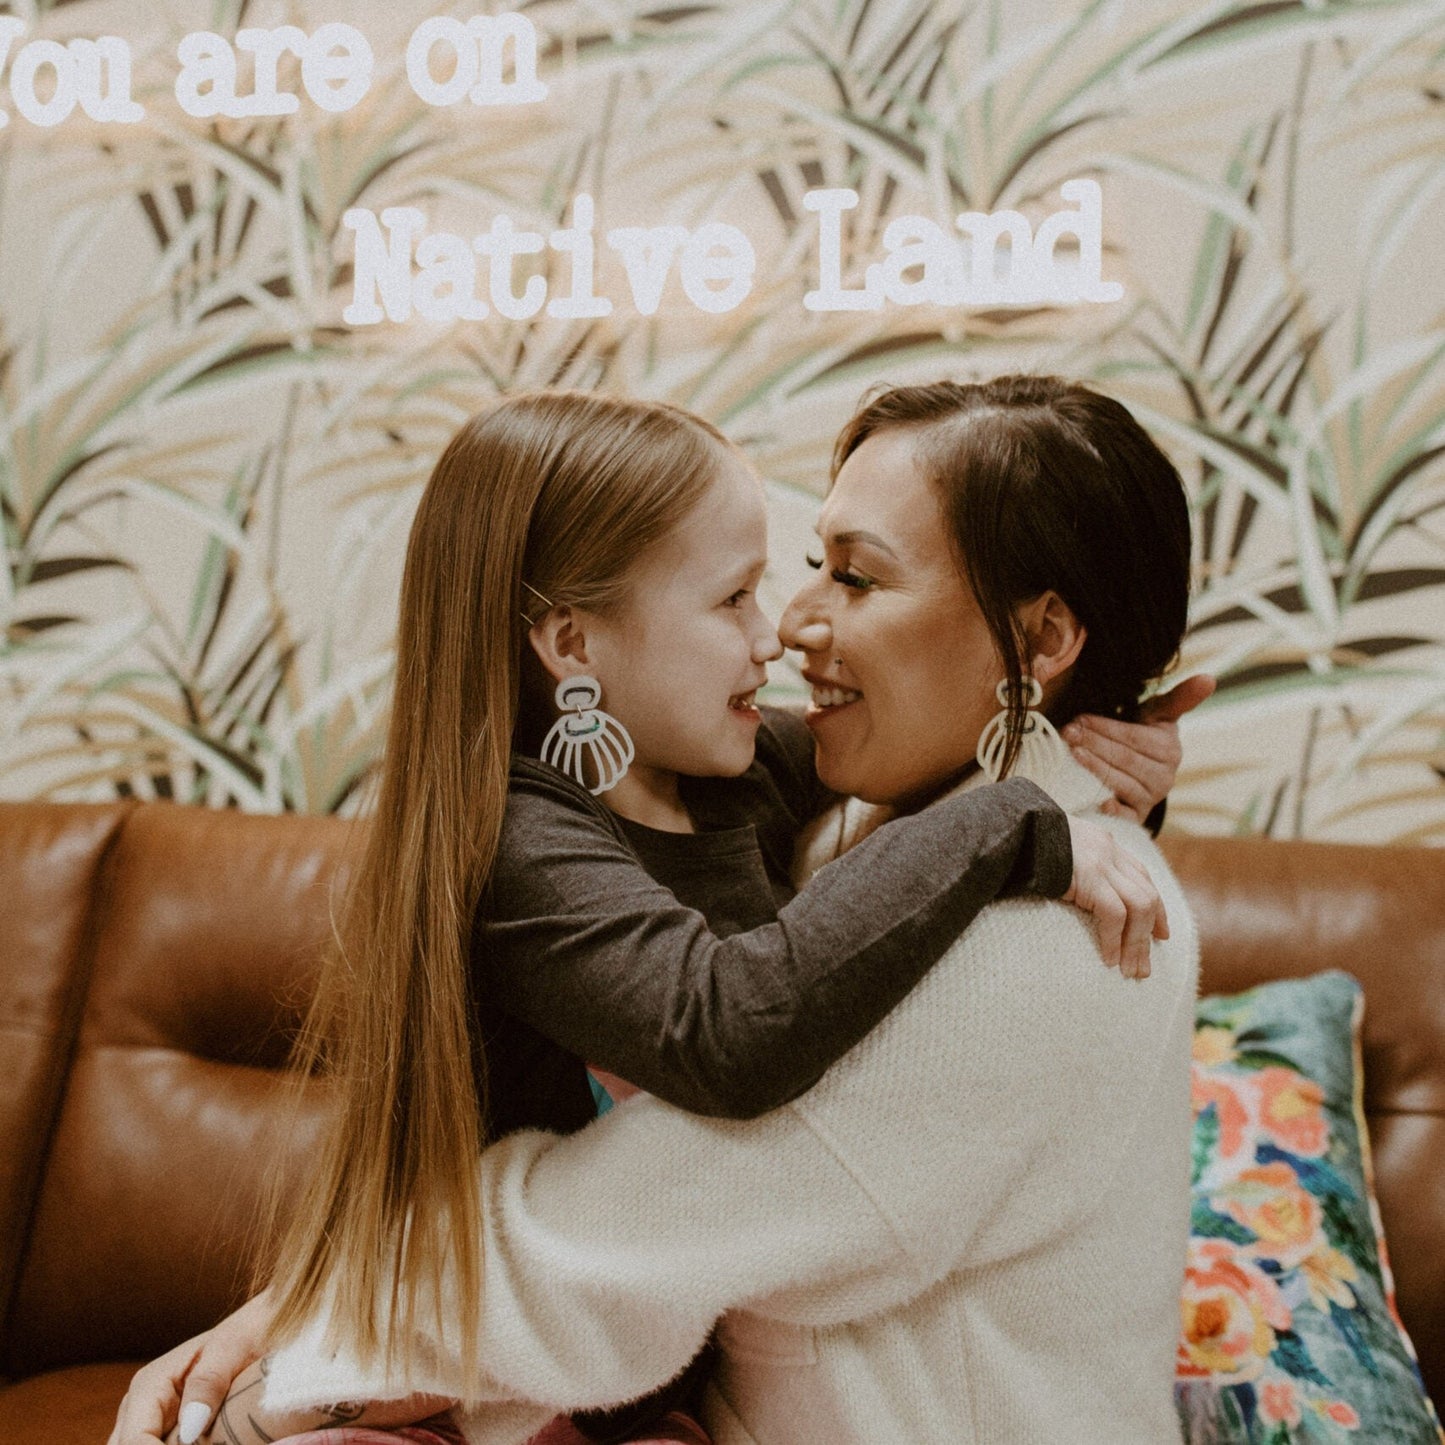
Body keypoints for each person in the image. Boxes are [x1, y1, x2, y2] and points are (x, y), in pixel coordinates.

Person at [108, 383, 1200, 1445]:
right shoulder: (854, 818)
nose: (790, 627)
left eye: (856, 579)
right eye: (793, 573)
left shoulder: (1030, 943)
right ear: (570, 646)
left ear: (1043, 639)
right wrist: (1060, 782)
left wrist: (286, 1368)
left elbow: (604, 1245)